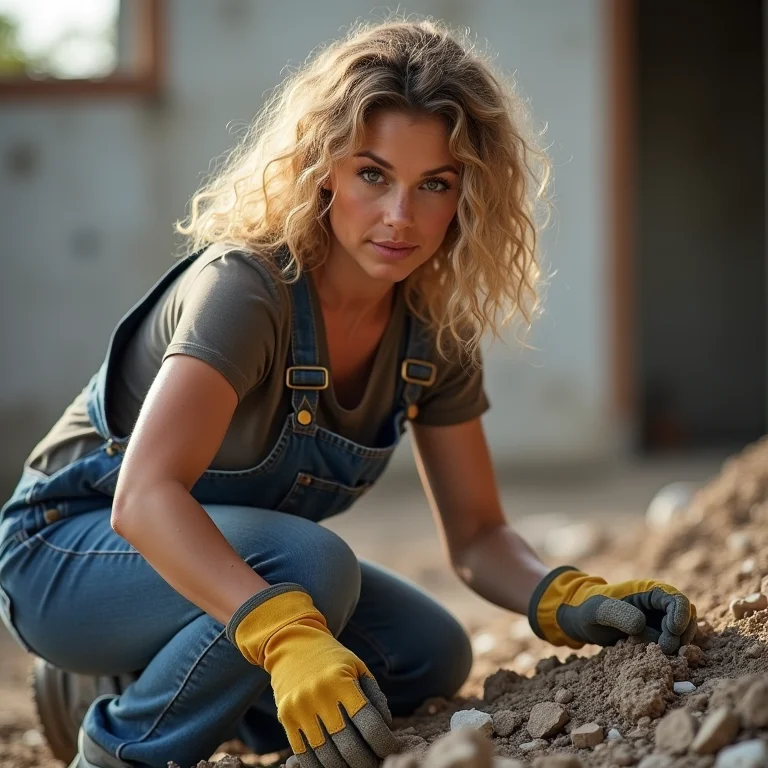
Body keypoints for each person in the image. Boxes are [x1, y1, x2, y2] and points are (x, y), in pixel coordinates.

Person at [0, 16, 697, 768]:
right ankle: (119, 751)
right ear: (322, 166)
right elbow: (143, 499)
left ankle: (125, 678)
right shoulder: (248, 290)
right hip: (67, 553)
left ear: (466, 196)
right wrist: (288, 636)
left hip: (224, 574)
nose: (401, 216)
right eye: (373, 174)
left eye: (434, 184)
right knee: (311, 569)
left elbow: (477, 537)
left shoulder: (433, 331)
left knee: (425, 654)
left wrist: (570, 599)